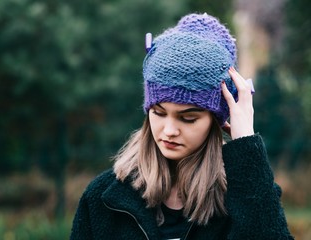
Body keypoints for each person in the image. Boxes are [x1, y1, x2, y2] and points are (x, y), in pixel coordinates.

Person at [70, 13, 294, 240]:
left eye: (188, 118)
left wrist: (246, 144)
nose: (169, 130)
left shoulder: (247, 194)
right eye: (158, 113)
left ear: (215, 121)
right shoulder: (102, 199)